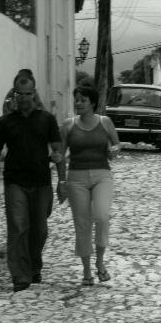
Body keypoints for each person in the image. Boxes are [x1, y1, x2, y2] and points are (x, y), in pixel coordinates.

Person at [0, 75, 65, 292]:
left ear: (34, 93)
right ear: (14, 94)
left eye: (28, 94)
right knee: (18, 227)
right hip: (15, 182)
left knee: (39, 230)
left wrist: (62, 181)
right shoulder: (5, 122)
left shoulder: (46, 119)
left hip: (41, 182)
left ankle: (34, 265)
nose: (24, 98)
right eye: (20, 94)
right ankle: (20, 275)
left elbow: (58, 151)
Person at [59, 85, 121, 286]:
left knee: (102, 217)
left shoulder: (105, 122)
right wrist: (61, 181)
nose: (78, 103)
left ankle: (100, 262)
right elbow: (60, 155)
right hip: (76, 177)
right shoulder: (68, 125)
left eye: (83, 100)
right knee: (82, 224)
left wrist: (114, 149)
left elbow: (117, 143)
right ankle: (86, 271)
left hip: (102, 174)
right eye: (76, 99)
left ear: (92, 103)